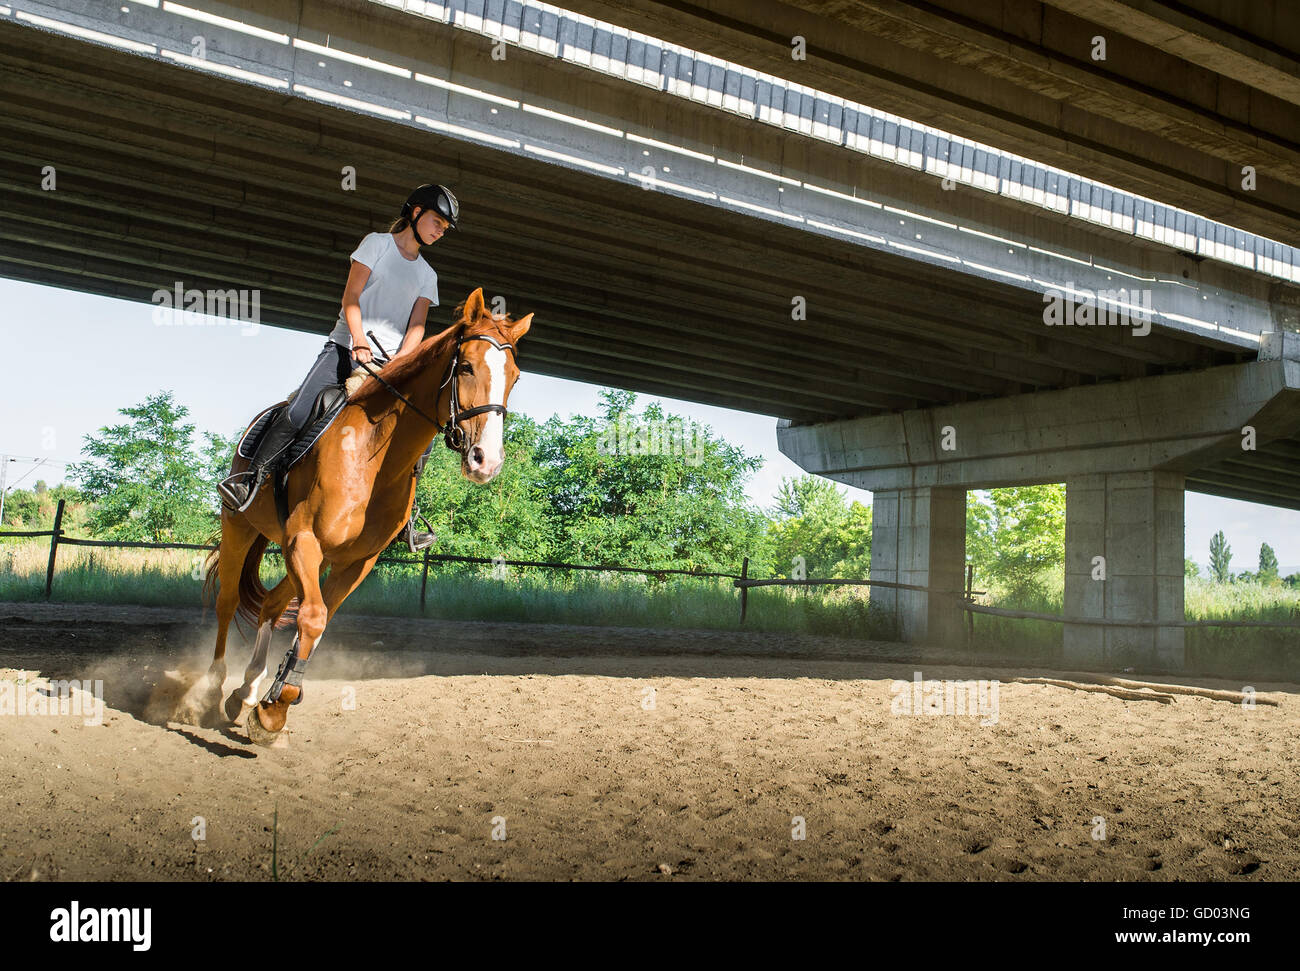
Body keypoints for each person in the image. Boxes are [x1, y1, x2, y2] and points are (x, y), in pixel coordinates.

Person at [218, 183, 458, 552]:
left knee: (418, 435)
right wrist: (359, 340)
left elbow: (417, 327)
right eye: (437, 221)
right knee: (300, 410)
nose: (440, 230)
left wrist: (403, 362)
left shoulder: (428, 274)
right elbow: (351, 297)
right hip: (346, 348)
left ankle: (405, 519)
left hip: (390, 365)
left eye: (445, 227)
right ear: (414, 213)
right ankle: (250, 480)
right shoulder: (376, 245)